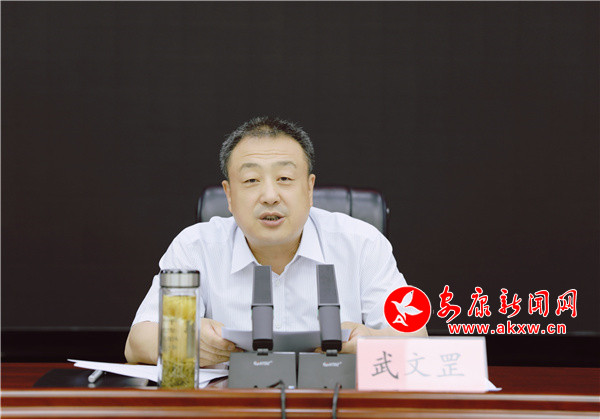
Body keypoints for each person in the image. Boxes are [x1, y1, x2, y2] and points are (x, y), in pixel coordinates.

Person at [125, 116, 427, 366]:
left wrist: (369, 342)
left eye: (284, 179)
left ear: (309, 189)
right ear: (229, 195)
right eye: (251, 181)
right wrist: (186, 341)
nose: (270, 196)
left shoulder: (362, 244)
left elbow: (416, 338)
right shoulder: (195, 247)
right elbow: (137, 342)